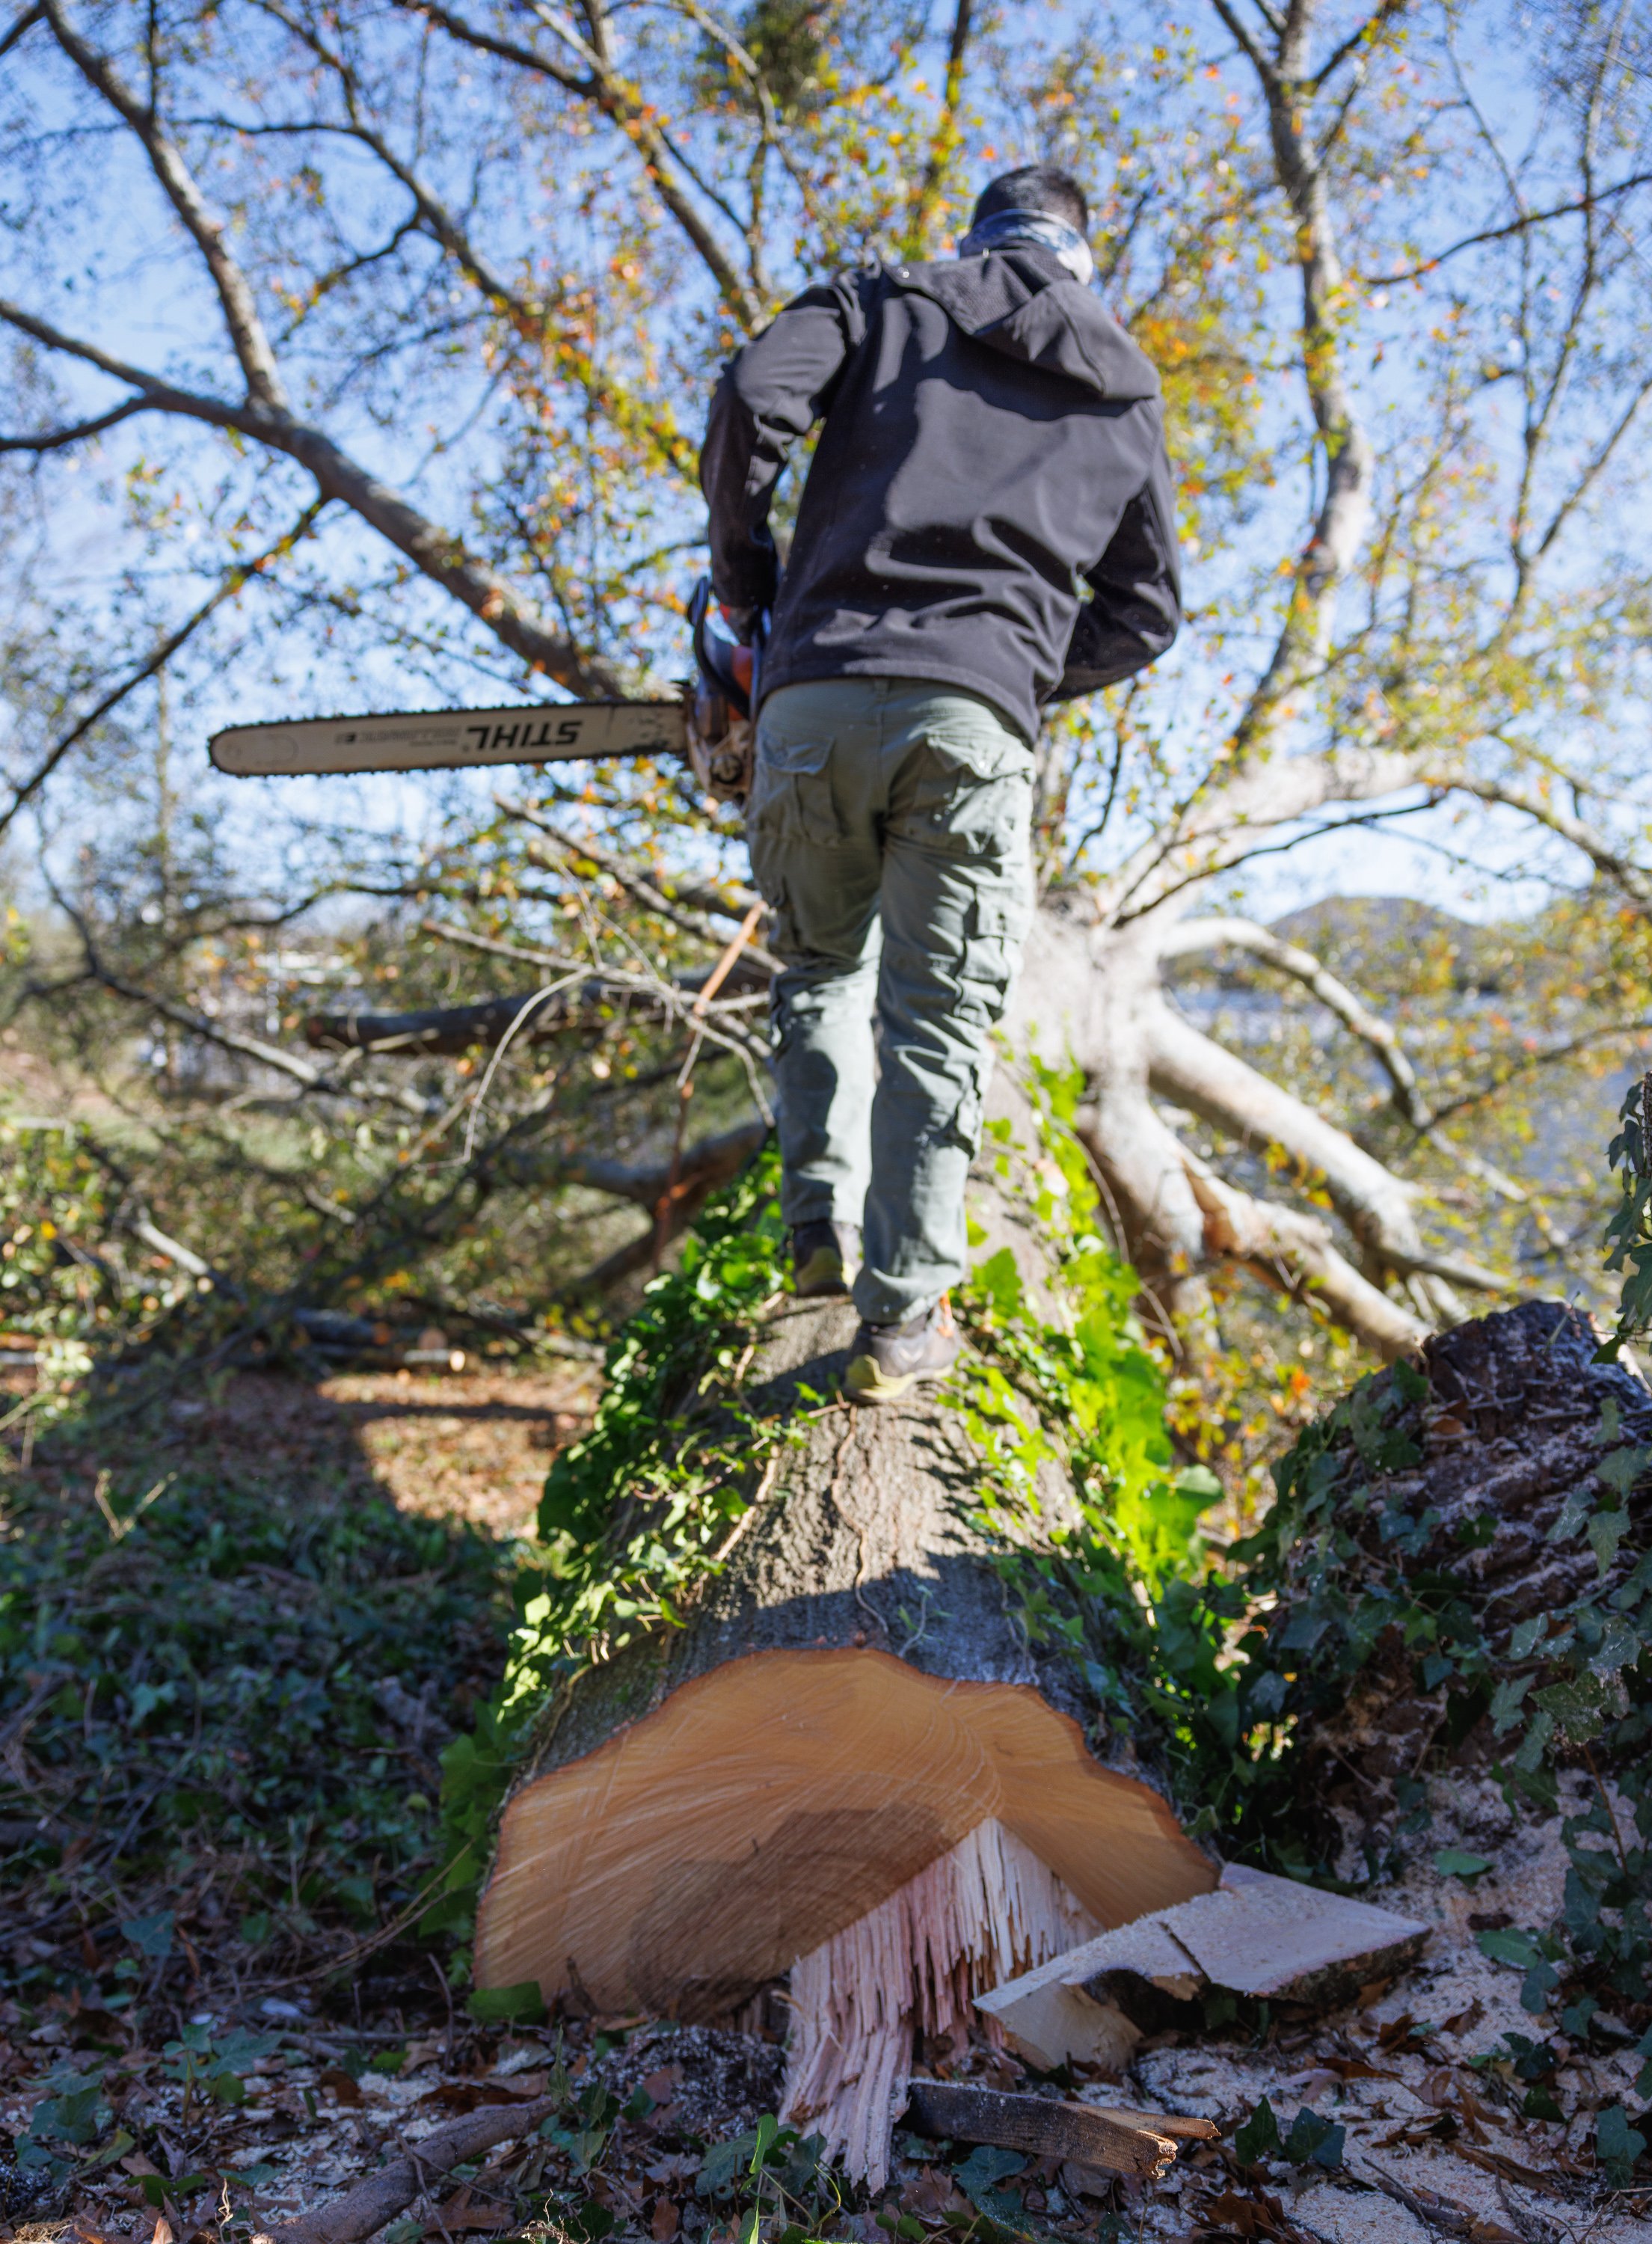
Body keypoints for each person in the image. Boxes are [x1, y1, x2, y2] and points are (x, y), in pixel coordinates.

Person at [699, 165, 1181, 1403]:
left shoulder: (879, 303)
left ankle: (821, 1225)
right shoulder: (1124, 388)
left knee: (819, 965)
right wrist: (1011, 672)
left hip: (809, 698)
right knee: (937, 1019)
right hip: (971, 729)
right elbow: (1144, 616)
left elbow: (753, 392)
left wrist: (748, 585)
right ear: (1081, 253)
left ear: (978, 235)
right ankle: (901, 1326)